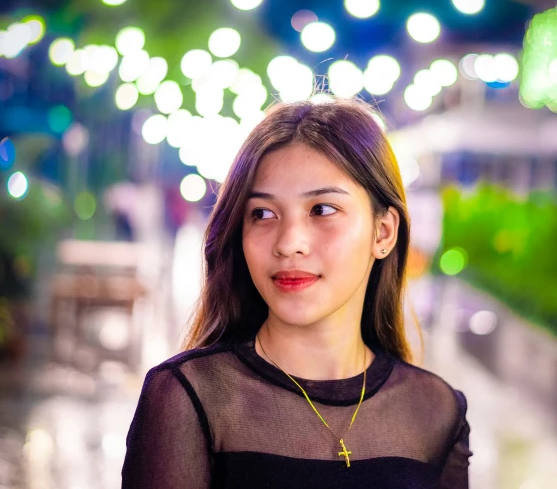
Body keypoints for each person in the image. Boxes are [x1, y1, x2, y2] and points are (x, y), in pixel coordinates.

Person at [121, 98, 472, 488]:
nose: (289, 243)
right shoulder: (189, 399)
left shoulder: (436, 413)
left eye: (322, 209)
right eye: (263, 214)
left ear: (383, 232)